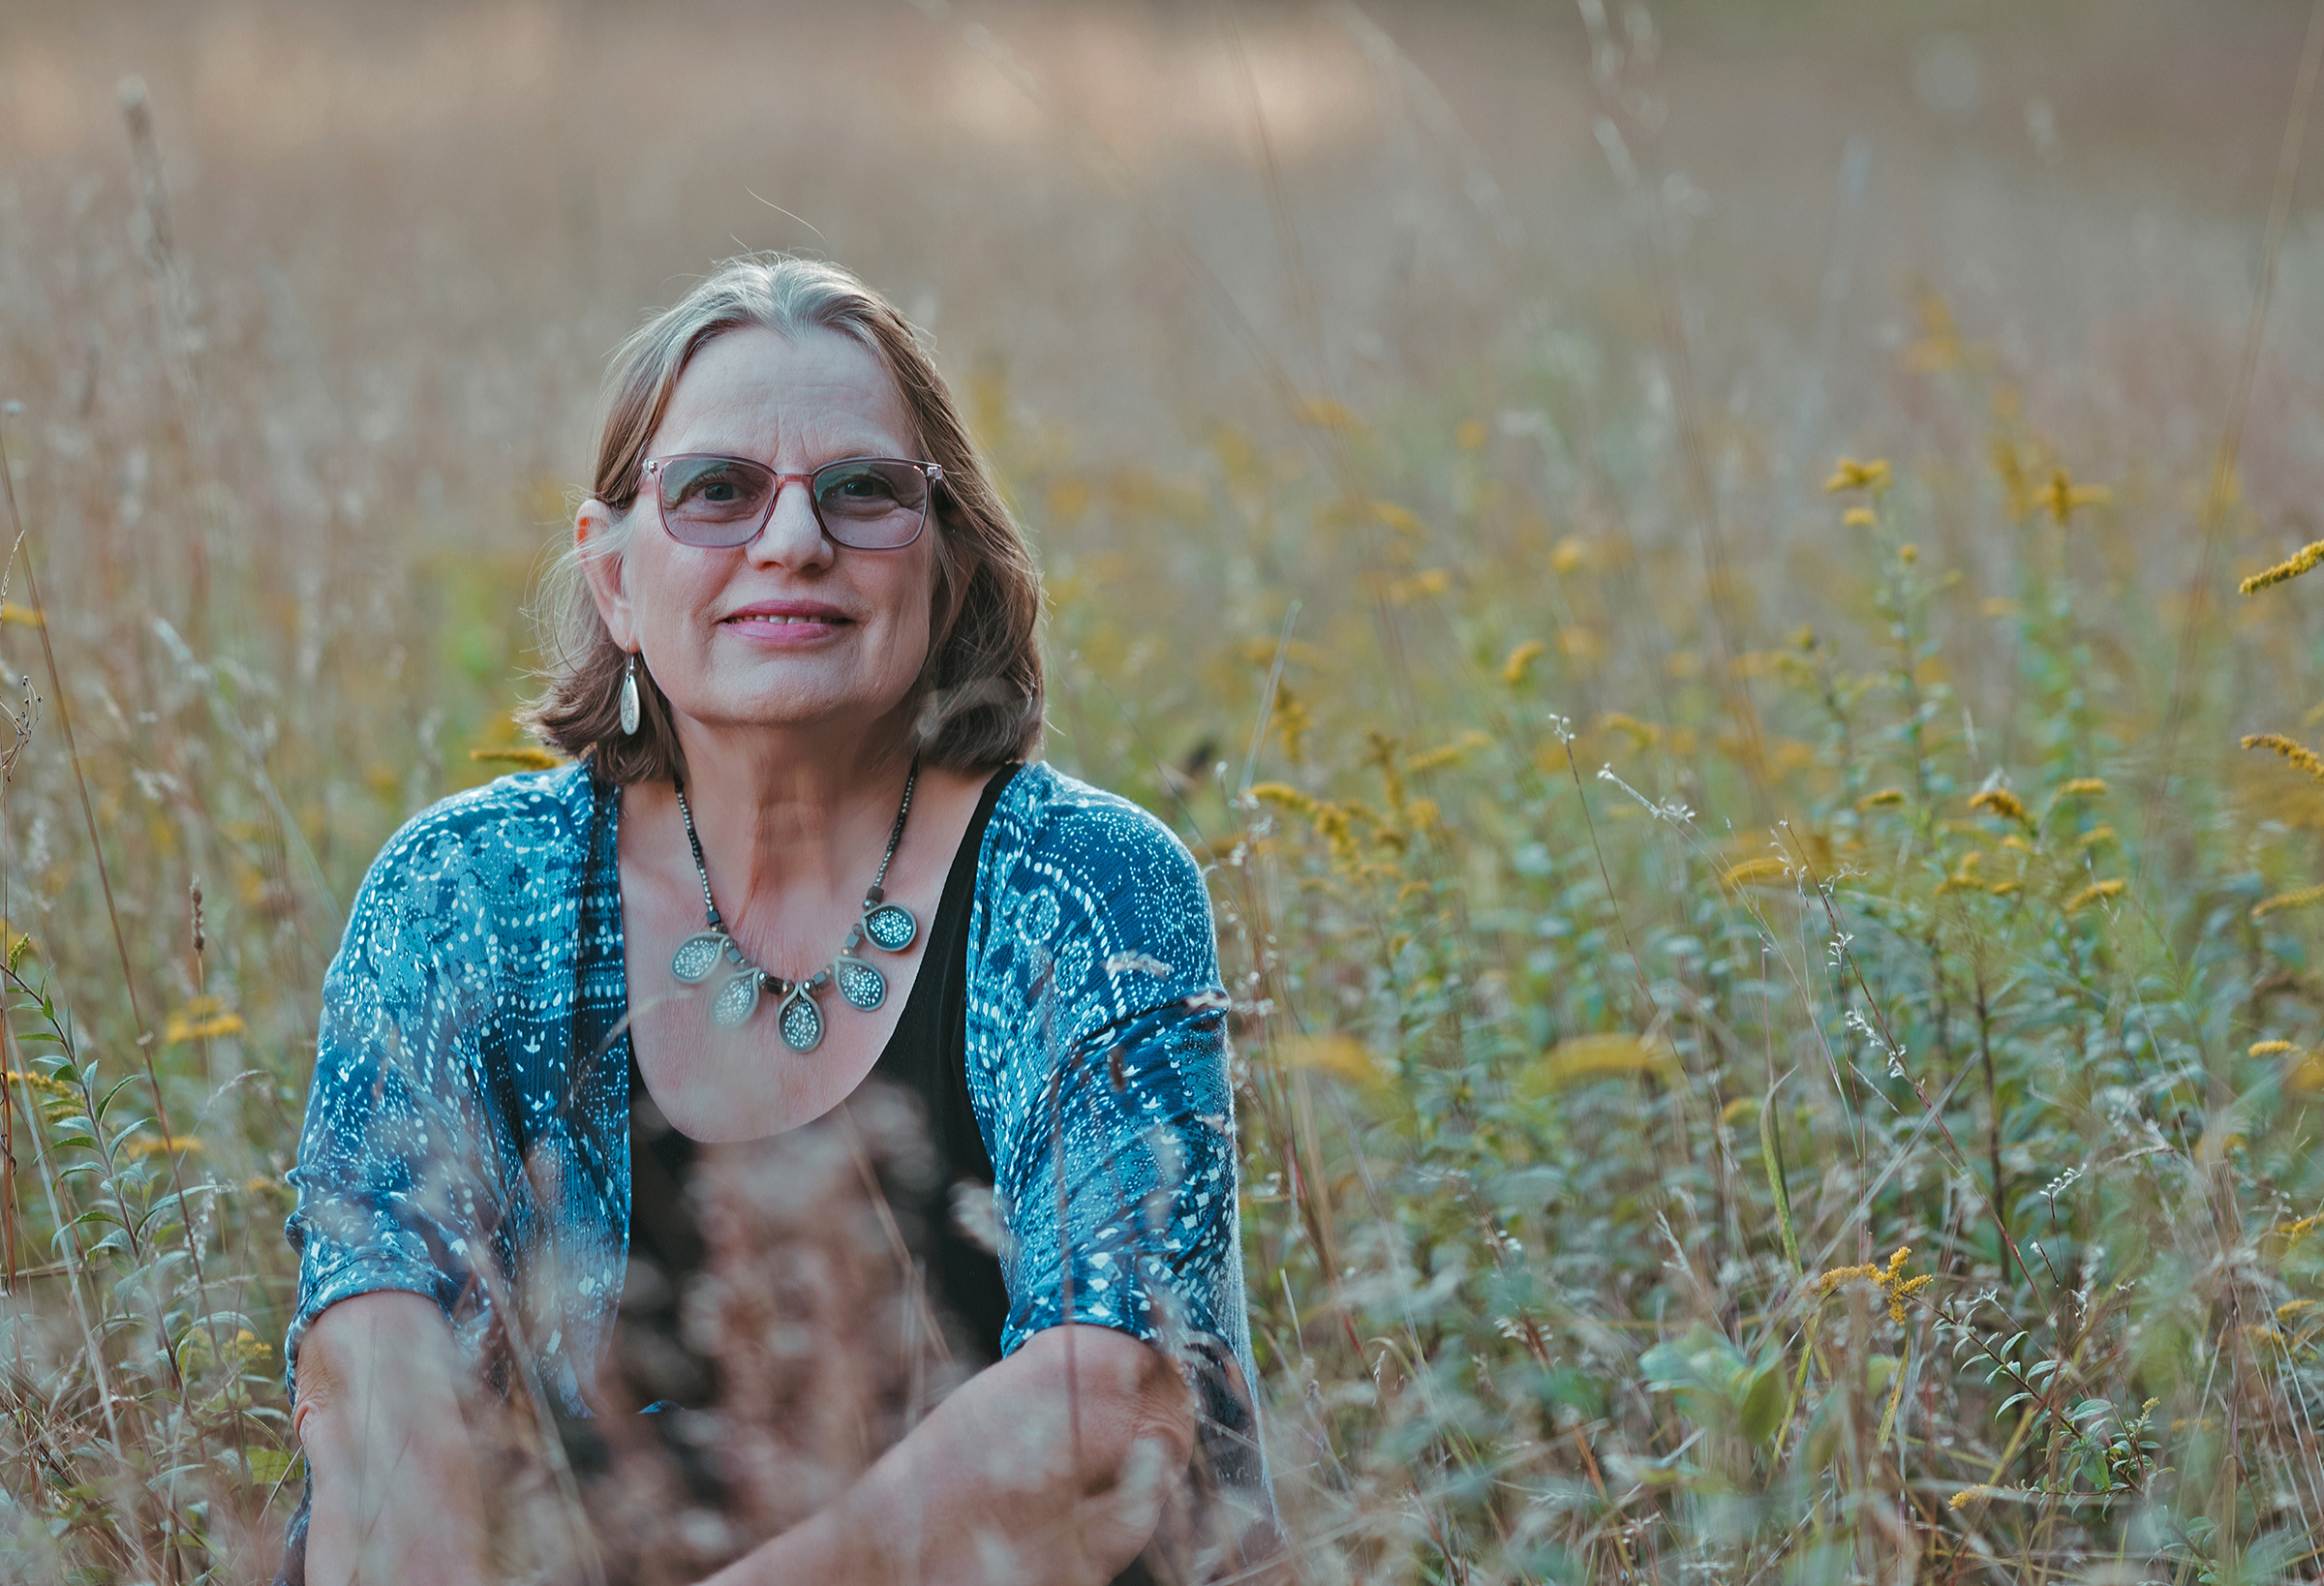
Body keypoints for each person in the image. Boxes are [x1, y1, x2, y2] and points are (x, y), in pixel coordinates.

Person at [277, 255, 1268, 1585]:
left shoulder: (1085, 887)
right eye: (716, 492)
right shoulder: (464, 898)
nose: (793, 540)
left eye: (862, 491)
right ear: (617, 579)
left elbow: (1115, 1406)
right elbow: (379, 1369)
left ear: (950, 563)